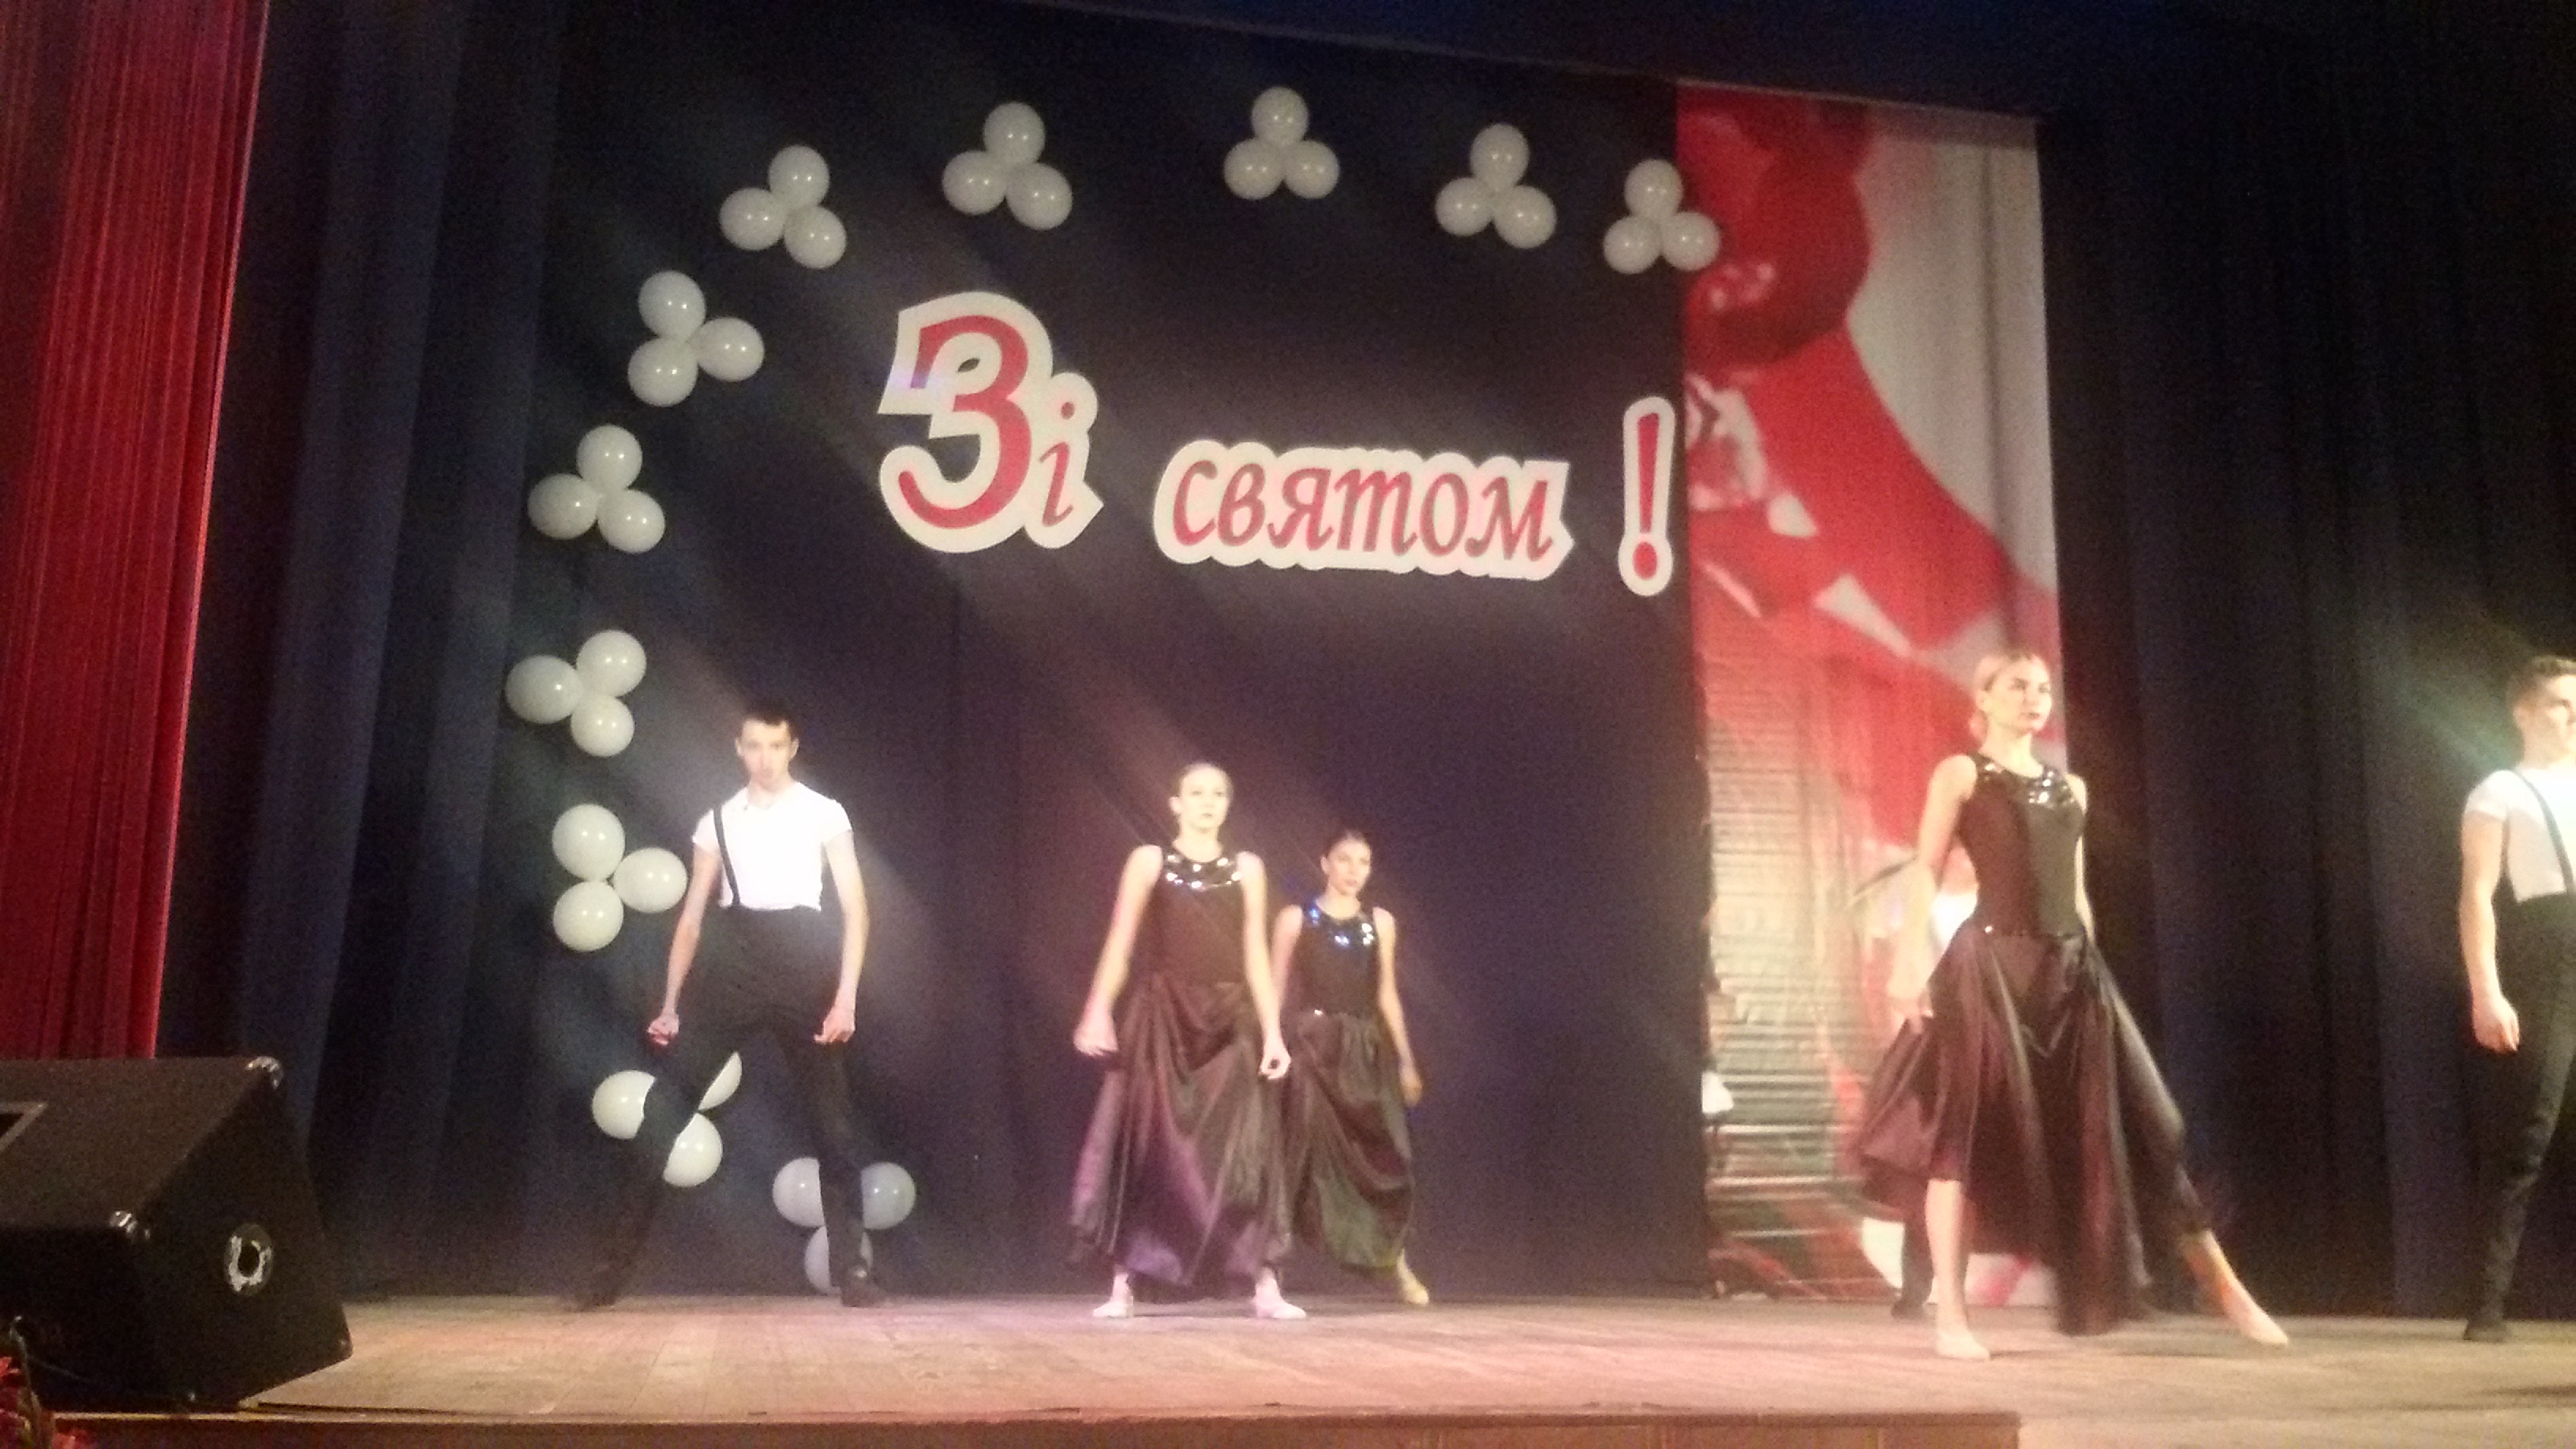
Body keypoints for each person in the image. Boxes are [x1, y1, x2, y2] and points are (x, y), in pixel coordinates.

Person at [1858, 650, 2286, 1359]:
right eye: (2017, 687)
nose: (2034, 698)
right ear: (1984, 698)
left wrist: (2092, 972)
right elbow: (1926, 868)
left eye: (2042, 689)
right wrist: (1908, 960)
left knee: (2142, 1133)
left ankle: (2231, 1295)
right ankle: (1951, 1315)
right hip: (1991, 972)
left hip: (2070, 975)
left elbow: (2077, 894)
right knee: (1962, 1139)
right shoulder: (1962, 774)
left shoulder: (2071, 789)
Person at [574, 701, 880, 1309]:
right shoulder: (717, 819)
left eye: (775, 746)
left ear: (792, 748)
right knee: (662, 1114)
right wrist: (671, 1004)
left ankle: (854, 1273)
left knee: (833, 1129)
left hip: (803, 963)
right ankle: (608, 1271)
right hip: (736, 962)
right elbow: (691, 918)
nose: (764, 758)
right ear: (739, 749)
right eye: (754, 746)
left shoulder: (823, 812)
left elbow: (856, 909)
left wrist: (845, 997)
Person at [1069, 762, 1299, 1319]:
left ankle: (1264, 1283)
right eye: (1196, 793)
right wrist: (1097, 1010)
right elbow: (1120, 942)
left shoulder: (1247, 868)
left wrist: (1273, 1032)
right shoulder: (1150, 862)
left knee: (1244, 1149)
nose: (1207, 802)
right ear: (1175, 803)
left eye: (1218, 793)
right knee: (1150, 1145)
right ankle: (1123, 1283)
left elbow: (1255, 955)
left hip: (1229, 1020)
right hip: (1165, 1018)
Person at [2458, 655, 2576, 1342]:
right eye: (2560, 702)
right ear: (2523, 712)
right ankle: (2487, 1305)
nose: (2573, 714)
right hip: (2550, 957)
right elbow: (2476, 896)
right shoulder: (2500, 790)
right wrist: (2487, 990)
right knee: (2527, 1137)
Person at [1271, 830, 1428, 1305]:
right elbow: (1275, 990)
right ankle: (1269, 1271)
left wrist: (1407, 1060)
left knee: (1380, 1157)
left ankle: (1394, 1263)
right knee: (1298, 1155)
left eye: (1364, 861)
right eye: (1345, 859)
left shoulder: (1380, 922)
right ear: (1325, 863)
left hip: (1363, 1050)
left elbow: (1386, 994)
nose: (1354, 870)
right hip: (1313, 1047)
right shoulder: (1297, 919)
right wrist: (1270, 1044)